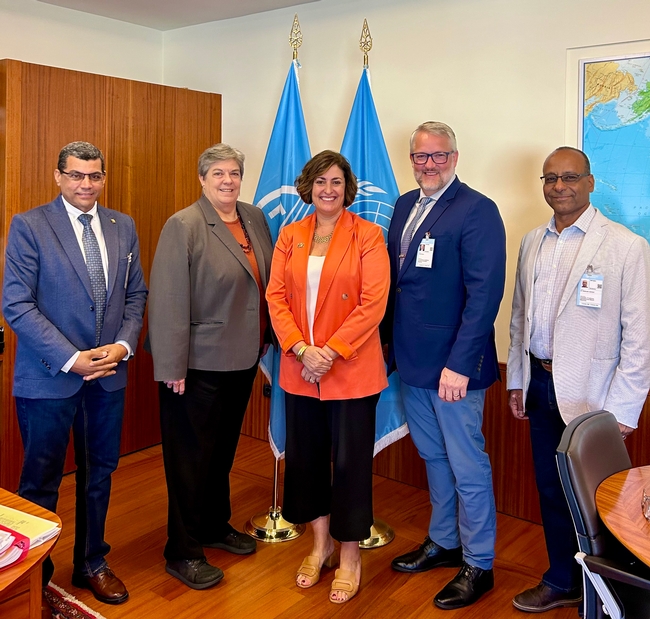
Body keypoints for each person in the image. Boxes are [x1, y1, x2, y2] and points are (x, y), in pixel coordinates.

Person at [2, 141, 147, 607]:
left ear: (104, 178)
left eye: (95, 176)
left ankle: (91, 562)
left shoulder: (122, 226)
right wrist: (72, 357)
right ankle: (34, 574)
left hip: (108, 376)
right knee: (40, 480)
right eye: (77, 175)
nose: (87, 184)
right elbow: (17, 304)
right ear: (59, 176)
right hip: (49, 376)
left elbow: (136, 295)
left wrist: (123, 346)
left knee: (98, 473)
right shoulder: (30, 225)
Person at [507, 146, 650, 613]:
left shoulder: (626, 246)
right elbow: (520, 318)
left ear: (590, 182)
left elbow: (640, 339)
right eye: (550, 178)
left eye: (569, 177)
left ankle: (612, 591)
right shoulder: (533, 242)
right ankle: (562, 579)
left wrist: (623, 409)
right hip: (541, 384)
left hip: (596, 399)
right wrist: (517, 378)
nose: (559, 187)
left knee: (600, 499)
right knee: (551, 489)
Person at [383, 122, 506, 610]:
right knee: (434, 459)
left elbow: (484, 295)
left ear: (455, 156)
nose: (428, 164)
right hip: (412, 363)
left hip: (455, 369)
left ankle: (479, 562)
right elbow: (400, 285)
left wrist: (460, 364)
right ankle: (444, 542)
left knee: (467, 464)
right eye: (420, 157)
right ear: (411, 159)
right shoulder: (403, 206)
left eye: (438, 156)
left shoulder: (478, 210)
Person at [148, 143, 273, 590]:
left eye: (234, 173)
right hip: (195, 365)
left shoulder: (255, 217)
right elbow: (167, 299)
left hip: (242, 359)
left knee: (221, 452)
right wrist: (171, 365)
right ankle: (182, 549)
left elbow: (266, 284)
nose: (227, 180)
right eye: (218, 173)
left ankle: (215, 525)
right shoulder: (183, 225)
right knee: (188, 459)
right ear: (202, 179)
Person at [266, 150, 389, 604]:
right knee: (307, 460)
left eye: (336, 182)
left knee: (352, 464)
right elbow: (275, 296)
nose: (328, 190)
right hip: (301, 369)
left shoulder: (369, 235)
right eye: (320, 182)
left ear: (347, 188)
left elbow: (373, 303)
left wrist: (330, 352)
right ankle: (319, 546)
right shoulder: (290, 234)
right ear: (308, 187)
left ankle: (351, 555)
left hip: (351, 370)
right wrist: (301, 348)